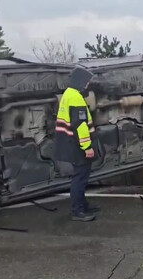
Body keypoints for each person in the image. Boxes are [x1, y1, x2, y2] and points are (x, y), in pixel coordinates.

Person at [54, 66, 99, 222]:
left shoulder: (68, 94)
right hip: (77, 145)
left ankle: (83, 205)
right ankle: (77, 211)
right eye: (87, 81)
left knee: (81, 176)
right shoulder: (76, 98)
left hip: (70, 142)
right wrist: (87, 147)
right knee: (80, 178)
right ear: (80, 81)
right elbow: (80, 125)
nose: (88, 85)